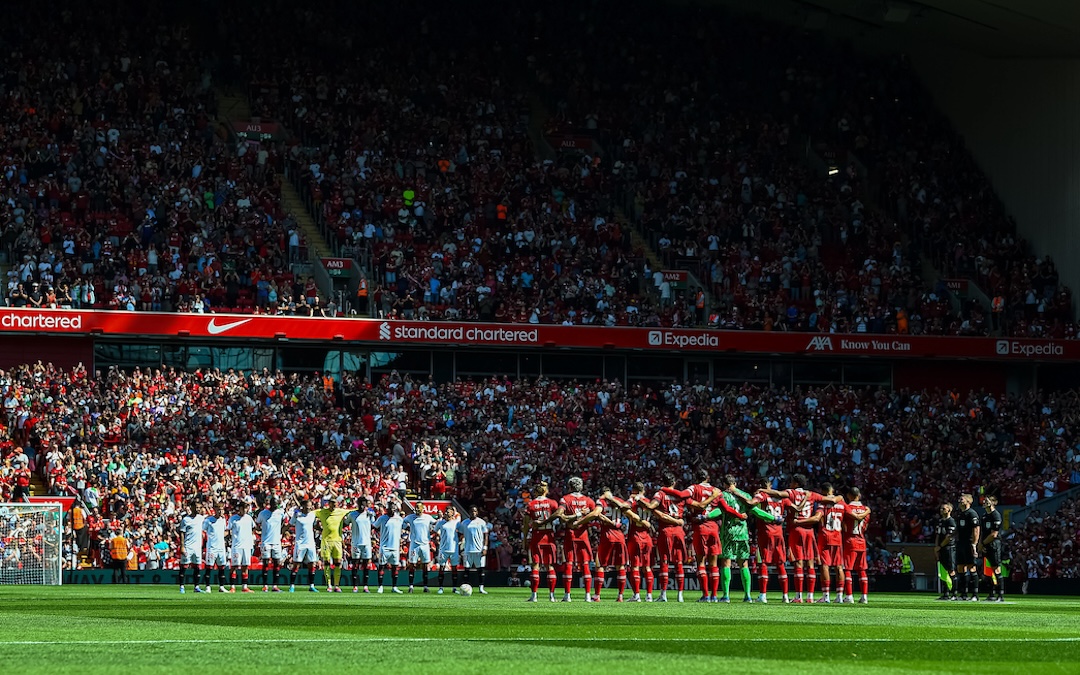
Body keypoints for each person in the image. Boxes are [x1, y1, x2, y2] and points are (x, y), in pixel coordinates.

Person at [762, 474, 840, 603]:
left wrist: (763, 490)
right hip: (809, 531)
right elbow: (831, 500)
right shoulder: (811, 494)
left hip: (796, 529)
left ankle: (799, 596)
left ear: (796, 483)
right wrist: (840, 497)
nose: (790, 484)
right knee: (810, 563)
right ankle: (810, 596)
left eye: (792, 482)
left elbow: (778, 494)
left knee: (798, 562)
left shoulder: (790, 492)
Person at [644, 471, 689, 602]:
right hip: (679, 531)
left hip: (665, 531)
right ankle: (680, 595)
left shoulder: (660, 494)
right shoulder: (680, 495)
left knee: (664, 561)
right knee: (678, 562)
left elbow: (652, 506)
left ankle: (663, 594)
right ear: (674, 483)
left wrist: (653, 510)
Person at [551, 476, 598, 602]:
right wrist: (583, 516)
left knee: (569, 563)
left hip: (570, 534)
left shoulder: (565, 499)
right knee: (585, 563)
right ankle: (588, 595)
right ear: (581, 487)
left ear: (570, 486)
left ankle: (567, 595)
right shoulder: (588, 500)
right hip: (583, 535)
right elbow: (596, 513)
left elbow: (561, 516)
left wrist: (574, 518)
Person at [709, 476, 753, 603]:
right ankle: (747, 596)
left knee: (726, 563)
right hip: (743, 533)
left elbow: (718, 511)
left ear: (724, 484)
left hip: (729, 532)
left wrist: (706, 516)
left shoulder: (722, 496)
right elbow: (754, 509)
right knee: (744, 564)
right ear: (735, 483)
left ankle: (726, 596)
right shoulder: (745, 495)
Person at [686, 469, 723, 602]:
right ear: (707, 477)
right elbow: (722, 509)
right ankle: (714, 596)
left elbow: (684, 496)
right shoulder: (716, 490)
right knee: (713, 564)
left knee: (701, 562)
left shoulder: (693, 488)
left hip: (701, 528)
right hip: (713, 528)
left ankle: (706, 595)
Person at [752, 478, 790, 603]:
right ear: (770, 485)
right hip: (779, 533)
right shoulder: (781, 497)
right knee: (780, 563)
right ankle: (785, 596)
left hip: (766, 532)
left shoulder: (761, 495)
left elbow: (753, 503)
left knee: (763, 562)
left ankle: (763, 595)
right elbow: (793, 508)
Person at [522, 480, 559, 602]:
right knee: (550, 566)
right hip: (549, 536)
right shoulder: (552, 503)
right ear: (546, 490)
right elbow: (559, 515)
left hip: (537, 537)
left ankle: (534, 595)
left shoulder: (531, 504)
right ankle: (552, 596)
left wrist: (524, 538)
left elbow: (526, 524)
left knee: (535, 565)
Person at [593, 487, 630, 602]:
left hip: (607, 535)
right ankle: (620, 596)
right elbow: (627, 507)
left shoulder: (601, 502)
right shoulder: (619, 501)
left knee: (600, 565)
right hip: (620, 536)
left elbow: (597, 514)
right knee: (621, 566)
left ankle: (597, 595)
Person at [622, 482, 657, 602]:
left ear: (634, 490)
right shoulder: (648, 501)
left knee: (635, 566)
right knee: (647, 567)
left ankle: (636, 595)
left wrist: (636, 518)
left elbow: (624, 507)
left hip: (635, 535)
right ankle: (649, 595)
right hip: (647, 537)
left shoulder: (632, 500)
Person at [814, 483, 847, 604]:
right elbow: (849, 516)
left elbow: (818, 517)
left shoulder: (822, 504)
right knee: (839, 566)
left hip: (825, 537)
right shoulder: (842, 503)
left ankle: (826, 596)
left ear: (823, 492)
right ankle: (839, 596)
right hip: (837, 538)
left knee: (825, 565)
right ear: (832, 490)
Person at [314, 495, 351, 592]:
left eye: (335, 504)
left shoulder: (341, 512)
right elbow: (310, 513)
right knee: (326, 563)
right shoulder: (322, 512)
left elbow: (353, 510)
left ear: (337, 504)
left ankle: (336, 585)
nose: (333, 505)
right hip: (326, 541)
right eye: (332, 503)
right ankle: (329, 585)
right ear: (328, 504)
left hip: (337, 541)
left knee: (338, 563)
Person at [842, 487, 871, 604]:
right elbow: (866, 527)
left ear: (849, 495)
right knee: (862, 569)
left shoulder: (847, 508)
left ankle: (849, 596)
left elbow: (843, 526)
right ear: (859, 495)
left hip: (850, 540)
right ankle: (864, 596)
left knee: (847, 569)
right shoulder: (866, 510)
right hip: (861, 541)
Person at [256, 497, 289, 592]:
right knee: (266, 562)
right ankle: (265, 585)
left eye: (276, 504)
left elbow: (284, 523)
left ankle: (275, 585)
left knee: (277, 563)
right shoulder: (263, 513)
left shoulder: (280, 513)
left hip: (276, 542)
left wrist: (281, 533)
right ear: (270, 504)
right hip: (266, 542)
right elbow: (257, 524)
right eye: (273, 504)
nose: (275, 506)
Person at [403, 502, 437, 593]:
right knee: (412, 565)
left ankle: (425, 586)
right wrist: (406, 528)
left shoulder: (427, 517)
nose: (417, 509)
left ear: (423, 508)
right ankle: (411, 586)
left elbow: (436, 523)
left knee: (425, 565)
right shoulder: (411, 517)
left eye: (419, 507)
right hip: (414, 544)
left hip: (425, 544)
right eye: (416, 507)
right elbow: (403, 522)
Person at [459, 505, 492, 595]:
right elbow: (461, 535)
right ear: (469, 512)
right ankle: (465, 587)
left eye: (475, 511)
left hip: (479, 549)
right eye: (471, 511)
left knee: (480, 569)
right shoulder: (464, 523)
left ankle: (481, 587)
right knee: (466, 569)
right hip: (468, 549)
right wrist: (460, 547)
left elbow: (486, 535)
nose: (473, 512)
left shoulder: (481, 522)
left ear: (477, 512)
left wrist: (485, 547)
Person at [289, 498, 319, 593]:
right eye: (307, 507)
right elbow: (290, 523)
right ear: (303, 507)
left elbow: (315, 525)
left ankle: (312, 586)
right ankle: (292, 586)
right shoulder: (297, 515)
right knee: (296, 565)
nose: (309, 509)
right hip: (300, 544)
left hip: (310, 543)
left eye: (310, 507)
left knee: (311, 564)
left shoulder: (312, 515)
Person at [373, 501, 405, 594]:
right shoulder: (382, 518)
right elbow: (374, 527)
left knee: (395, 567)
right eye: (390, 508)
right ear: (387, 509)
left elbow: (405, 528)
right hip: (384, 547)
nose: (392, 509)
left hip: (395, 547)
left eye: (393, 508)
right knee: (382, 566)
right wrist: (376, 538)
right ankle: (380, 586)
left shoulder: (399, 519)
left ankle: (394, 587)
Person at [344, 497, 374, 592]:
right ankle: (355, 586)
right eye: (361, 503)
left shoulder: (369, 514)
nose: (362, 505)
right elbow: (345, 523)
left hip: (367, 542)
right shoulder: (352, 514)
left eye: (364, 503)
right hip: (356, 542)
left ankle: (365, 586)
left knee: (366, 564)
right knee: (355, 564)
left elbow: (374, 524)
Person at [955, 493, 981, 601]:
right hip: (961, 543)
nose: (960, 501)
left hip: (969, 543)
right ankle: (964, 594)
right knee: (961, 567)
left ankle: (975, 594)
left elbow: (976, 530)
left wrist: (974, 544)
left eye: (962, 499)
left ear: (968, 501)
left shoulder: (972, 514)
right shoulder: (960, 514)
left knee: (972, 567)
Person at [979, 494, 1005, 602]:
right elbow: (982, 533)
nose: (984, 502)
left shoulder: (996, 516)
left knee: (996, 569)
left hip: (994, 545)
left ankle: (1000, 595)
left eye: (987, 501)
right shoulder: (984, 516)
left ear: (993, 503)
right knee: (988, 571)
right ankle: (991, 594)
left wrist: (983, 544)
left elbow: (994, 534)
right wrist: (980, 544)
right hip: (985, 545)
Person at [228, 500, 256, 593]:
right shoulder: (233, 519)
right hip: (237, 546)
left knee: (245, 566)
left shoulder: (249, 518)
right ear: (239, 508)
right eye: (243, 507)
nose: (245, 509)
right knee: (234, 566)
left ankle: (244, 587)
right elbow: (228, 530)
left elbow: (253, 528)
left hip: (247, 546)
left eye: (246, 508)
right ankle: (232, 587)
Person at [177, 501, 205, 594]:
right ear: (192, 507)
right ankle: (182, 587)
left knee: (197, 567)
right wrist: (182, 546)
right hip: (188, 546)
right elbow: (182, 533)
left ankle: (196, 587)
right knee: (184, 567)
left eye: (199, 508)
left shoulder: (201, 518)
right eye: (196, 507)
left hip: (197, 547)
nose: (198, 509)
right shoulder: (186, 520)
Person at [434, 506, 462, 594]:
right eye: (446, 512)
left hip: (454, 549)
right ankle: (441, 587)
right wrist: (438, 540)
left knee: (454, 568)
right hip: (443, 549)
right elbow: (434, 532)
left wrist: (459, 541)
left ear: (452, 513)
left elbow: (462, 532)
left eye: (448, 512)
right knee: (441, 567)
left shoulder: (456, 523)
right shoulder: (440, 523)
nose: (446, 513)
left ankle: (454, 588)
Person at [202, 503, 229, 593]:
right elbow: (203, 531)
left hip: (221, 547)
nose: (220, 511)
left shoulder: (223, 520)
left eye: (221, 509)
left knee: (221, 568)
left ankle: (221, 586)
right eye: (218, 509)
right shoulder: (209, 520)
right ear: (215, 510)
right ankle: (208, 587)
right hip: (212, 547)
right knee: (209, 568)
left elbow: (225, 531)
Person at [934, 502, 958, 601]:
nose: (941, 510)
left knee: (951, 570)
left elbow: (948, 537)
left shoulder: (951, 522)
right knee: (943, 571)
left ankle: (954, 593)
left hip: (949, 548)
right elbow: (938, 536)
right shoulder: (940, 522)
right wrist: (936, 548)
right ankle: (945, 593)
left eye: (943, 509)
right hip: (941, 549)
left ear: (949, 510)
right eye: (941, 509)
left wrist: (940, 546)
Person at [70, 497, 91, 568]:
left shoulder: (71, 511)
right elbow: (84, 518)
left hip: (74, 526)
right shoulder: (81, 510)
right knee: (81, 538)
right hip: (81, 526)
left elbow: (69, 519)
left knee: (76, 538)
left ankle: (78, 548)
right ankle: (81, 549)